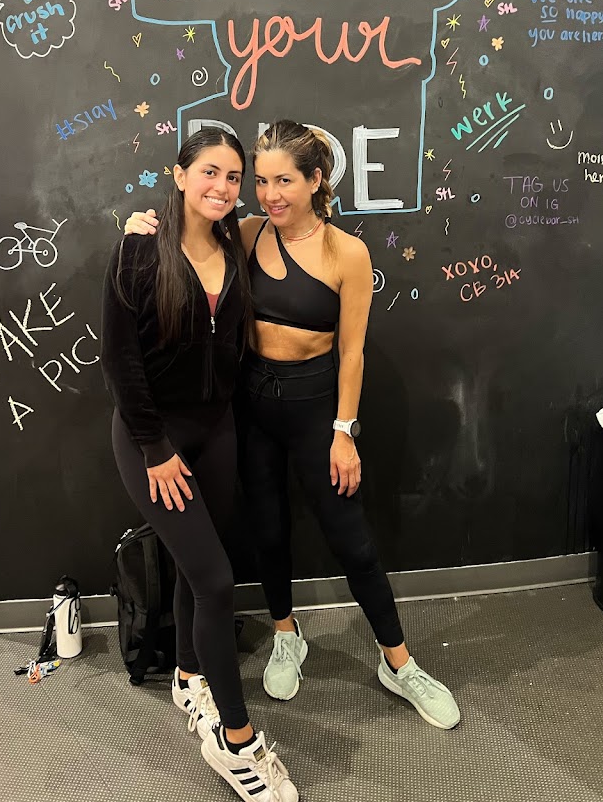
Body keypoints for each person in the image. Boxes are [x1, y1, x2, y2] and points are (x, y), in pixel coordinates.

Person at [125, 120, 460, 731]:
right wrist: (140, 225)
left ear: (314, 180)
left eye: (284, 181)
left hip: (315, 410)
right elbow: (186, 234)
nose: (269, 194)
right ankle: (286, 634)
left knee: (352, 541)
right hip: (249, 407)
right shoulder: (245, 233)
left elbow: (352, 353)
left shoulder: (346, 252)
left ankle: (399, 662)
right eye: (261, 181)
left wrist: (344, 430)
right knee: (267, 530)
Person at [102, 128, 298, 802]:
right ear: (180, 174)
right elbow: (119, 360)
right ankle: (236, 743)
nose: (223, 186)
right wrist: (155, 449)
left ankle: (190, 677)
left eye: (235, 177)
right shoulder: (139, 248)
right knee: (216, 581)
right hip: (153, 440)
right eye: (210, 171)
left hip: (217, 433)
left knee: (197, 570)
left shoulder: (234, 245)